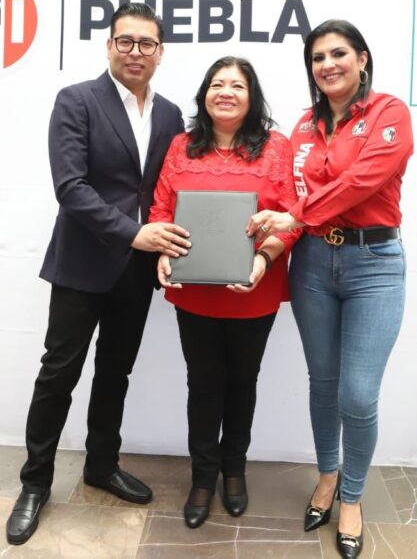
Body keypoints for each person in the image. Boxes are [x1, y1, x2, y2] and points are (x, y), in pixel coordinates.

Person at [6, 3, 191, 546]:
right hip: (83, 263)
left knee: (115, 373)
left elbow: (167, 189)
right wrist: (133, 233)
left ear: (160, 53)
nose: (136, 52)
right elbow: (71, 187)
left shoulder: (170, 115)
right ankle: (35, 484)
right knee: (58, 374)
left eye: (146, 44)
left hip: (136, 271)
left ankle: (101, 465)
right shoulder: (77, 100)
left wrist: (166, 244)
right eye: (125, 41)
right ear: (109, 46)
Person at [246, 20, 413, 559]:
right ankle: (326, 476)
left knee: (357, 395)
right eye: (317, 57)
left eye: (338, 53)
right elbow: (282, 190)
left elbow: (360, 182)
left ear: (362, 59)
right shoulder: (302, 127)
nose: (327, 65)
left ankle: (353, 497)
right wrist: (260, 228)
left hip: (374, 264)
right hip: (314, 262)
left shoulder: (388, 113)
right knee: (323, 382)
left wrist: (292, 215)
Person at [149, 56, 300, 529]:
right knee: (202, 384)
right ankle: (202, 477)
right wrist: (163, 251)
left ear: (252, 97)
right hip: (194, 292)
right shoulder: (181, 146)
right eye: (217, 84)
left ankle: (234, 470)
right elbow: (161, 208)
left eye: (237, 85)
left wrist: (264, 259)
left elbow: (294, 217)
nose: (226, 92)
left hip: (254, 288)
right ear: (205, 95)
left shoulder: (276, 147)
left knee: (242, 382)